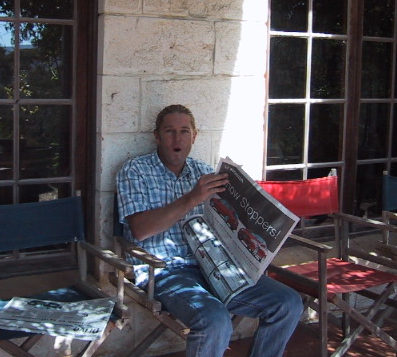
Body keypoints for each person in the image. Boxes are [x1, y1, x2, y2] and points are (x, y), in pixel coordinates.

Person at [116, 104, 302, 357]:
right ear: (157, 137)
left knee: (287, 303)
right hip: (164, 270)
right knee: (215, 319)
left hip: (213, 265)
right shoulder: (135, 170)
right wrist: (191, 198)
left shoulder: (205, 172)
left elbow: (224, 227)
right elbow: (140, 230)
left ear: (194, 136)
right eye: (169, 131)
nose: (177, 138)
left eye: (184, 131)